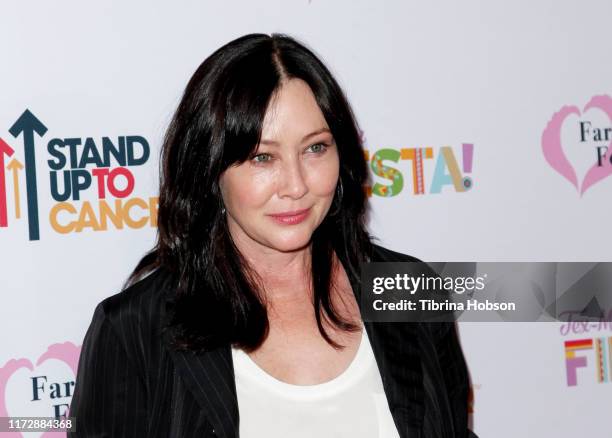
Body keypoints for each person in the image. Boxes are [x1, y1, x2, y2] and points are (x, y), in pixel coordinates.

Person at [68, 33, 478, 438]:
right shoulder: (135, 330)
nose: (295, 185)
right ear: (210, 170)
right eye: (262, 158)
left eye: (315, 148)